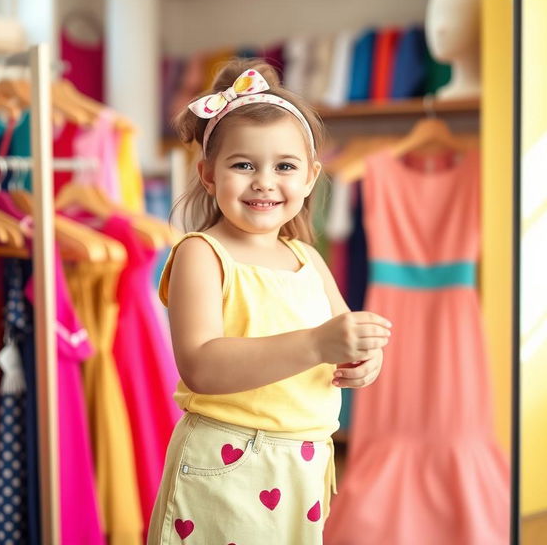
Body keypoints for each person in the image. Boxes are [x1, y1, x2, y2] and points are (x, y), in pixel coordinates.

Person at [147, 59, 392, 544]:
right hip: (225, 464)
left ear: (309, 177)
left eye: (284, 166)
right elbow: (202, 365)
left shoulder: (305, 258)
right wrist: (319, 343)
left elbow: (339, 338)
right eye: (243, 165)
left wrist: (366, 358)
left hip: (304, 464)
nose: (264, 180)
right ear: (209, 175)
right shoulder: (201, 254)